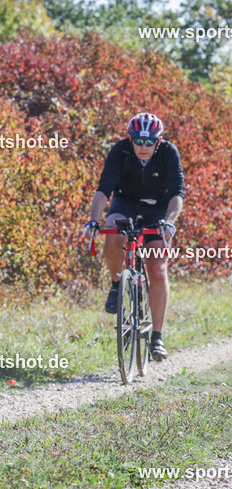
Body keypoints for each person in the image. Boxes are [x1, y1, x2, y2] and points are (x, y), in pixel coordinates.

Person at [81, 112, 184, 361]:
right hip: (126, 202)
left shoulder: (169, 153)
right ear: (131, 138)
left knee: (157, 267)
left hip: (158, 209)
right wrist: (93, 220)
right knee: (112, 231)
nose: (143, 147)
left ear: (158, 141)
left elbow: (177, 193)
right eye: (138, 141)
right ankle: (118, 283)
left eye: (149, 142)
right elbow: (104, 188)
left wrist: (169, 223)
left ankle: (157, 337)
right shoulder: (120, 151)